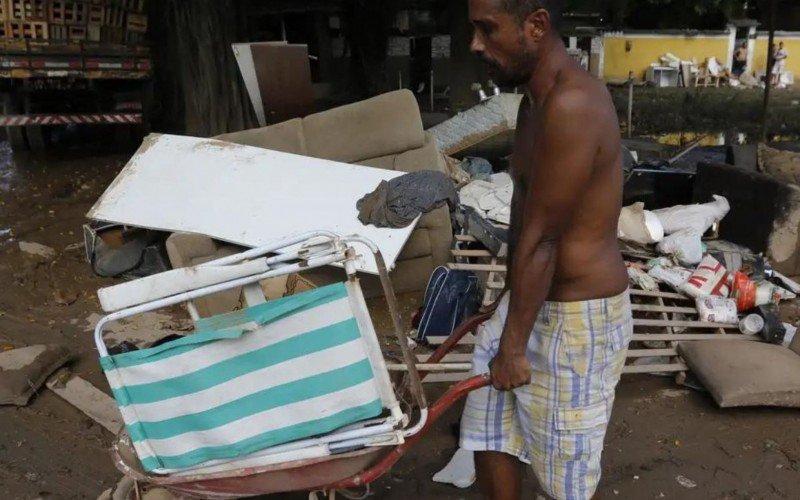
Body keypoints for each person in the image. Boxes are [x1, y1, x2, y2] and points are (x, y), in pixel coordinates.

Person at [459, 1, 632, 499]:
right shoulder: (533, 103)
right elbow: (523, 209)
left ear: (536, 25)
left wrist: (514, 345)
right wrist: (509, 306)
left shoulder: (572, 105)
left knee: (564, 479)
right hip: (533, 300)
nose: (475, 44)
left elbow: (547, 238)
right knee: (488, 428)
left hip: (579, 321)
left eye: (487, 30)